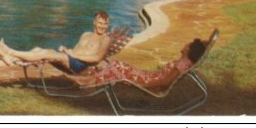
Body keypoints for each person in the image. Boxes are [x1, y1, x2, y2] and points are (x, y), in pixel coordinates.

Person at [56, 38, 208, 89]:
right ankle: (82, 78)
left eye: (188, 44)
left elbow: (165, 81)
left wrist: (142, 86)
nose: (185, 45)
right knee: (115, 65)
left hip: (149, 80)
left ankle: (83, 82)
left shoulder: (182, 64)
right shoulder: (184, 61)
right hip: (148, 76)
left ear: (189, 49)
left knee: (114, 68)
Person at [0, 10, 112, 73]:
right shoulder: (86, 34)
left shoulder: (105, 39)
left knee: (47, 54)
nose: (102, 26)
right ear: (94, 22)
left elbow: (97, 58)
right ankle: (13, 60)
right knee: (39, 50)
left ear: (108, 25)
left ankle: (11, 52)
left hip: (81, 66)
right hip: (71, 59)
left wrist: (73, 54)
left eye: (105, 24)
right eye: (100, 23)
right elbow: (76, 50)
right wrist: (67, 50)